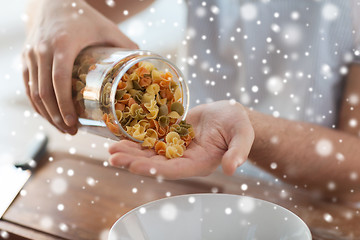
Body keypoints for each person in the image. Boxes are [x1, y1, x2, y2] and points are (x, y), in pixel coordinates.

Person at [23, 0, 360, 201]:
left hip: (313, 206)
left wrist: (246, 131)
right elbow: (78, 8)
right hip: (192, 182)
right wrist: (50, 9)